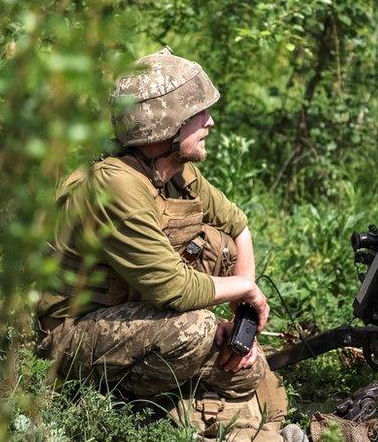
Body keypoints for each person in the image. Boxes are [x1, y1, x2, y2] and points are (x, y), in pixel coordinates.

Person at [36, 47, 301, 441]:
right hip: (67, 335)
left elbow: (237, 226)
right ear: (166, 126)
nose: (210, 122)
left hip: (130, 316)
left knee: (249, 369)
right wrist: (246, 289)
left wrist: (243, 323)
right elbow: (173, 289)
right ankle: (120, 406)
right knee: (194, 332)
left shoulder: (174, 170)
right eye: (199, 114)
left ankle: (188, 405)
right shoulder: (115, 184)